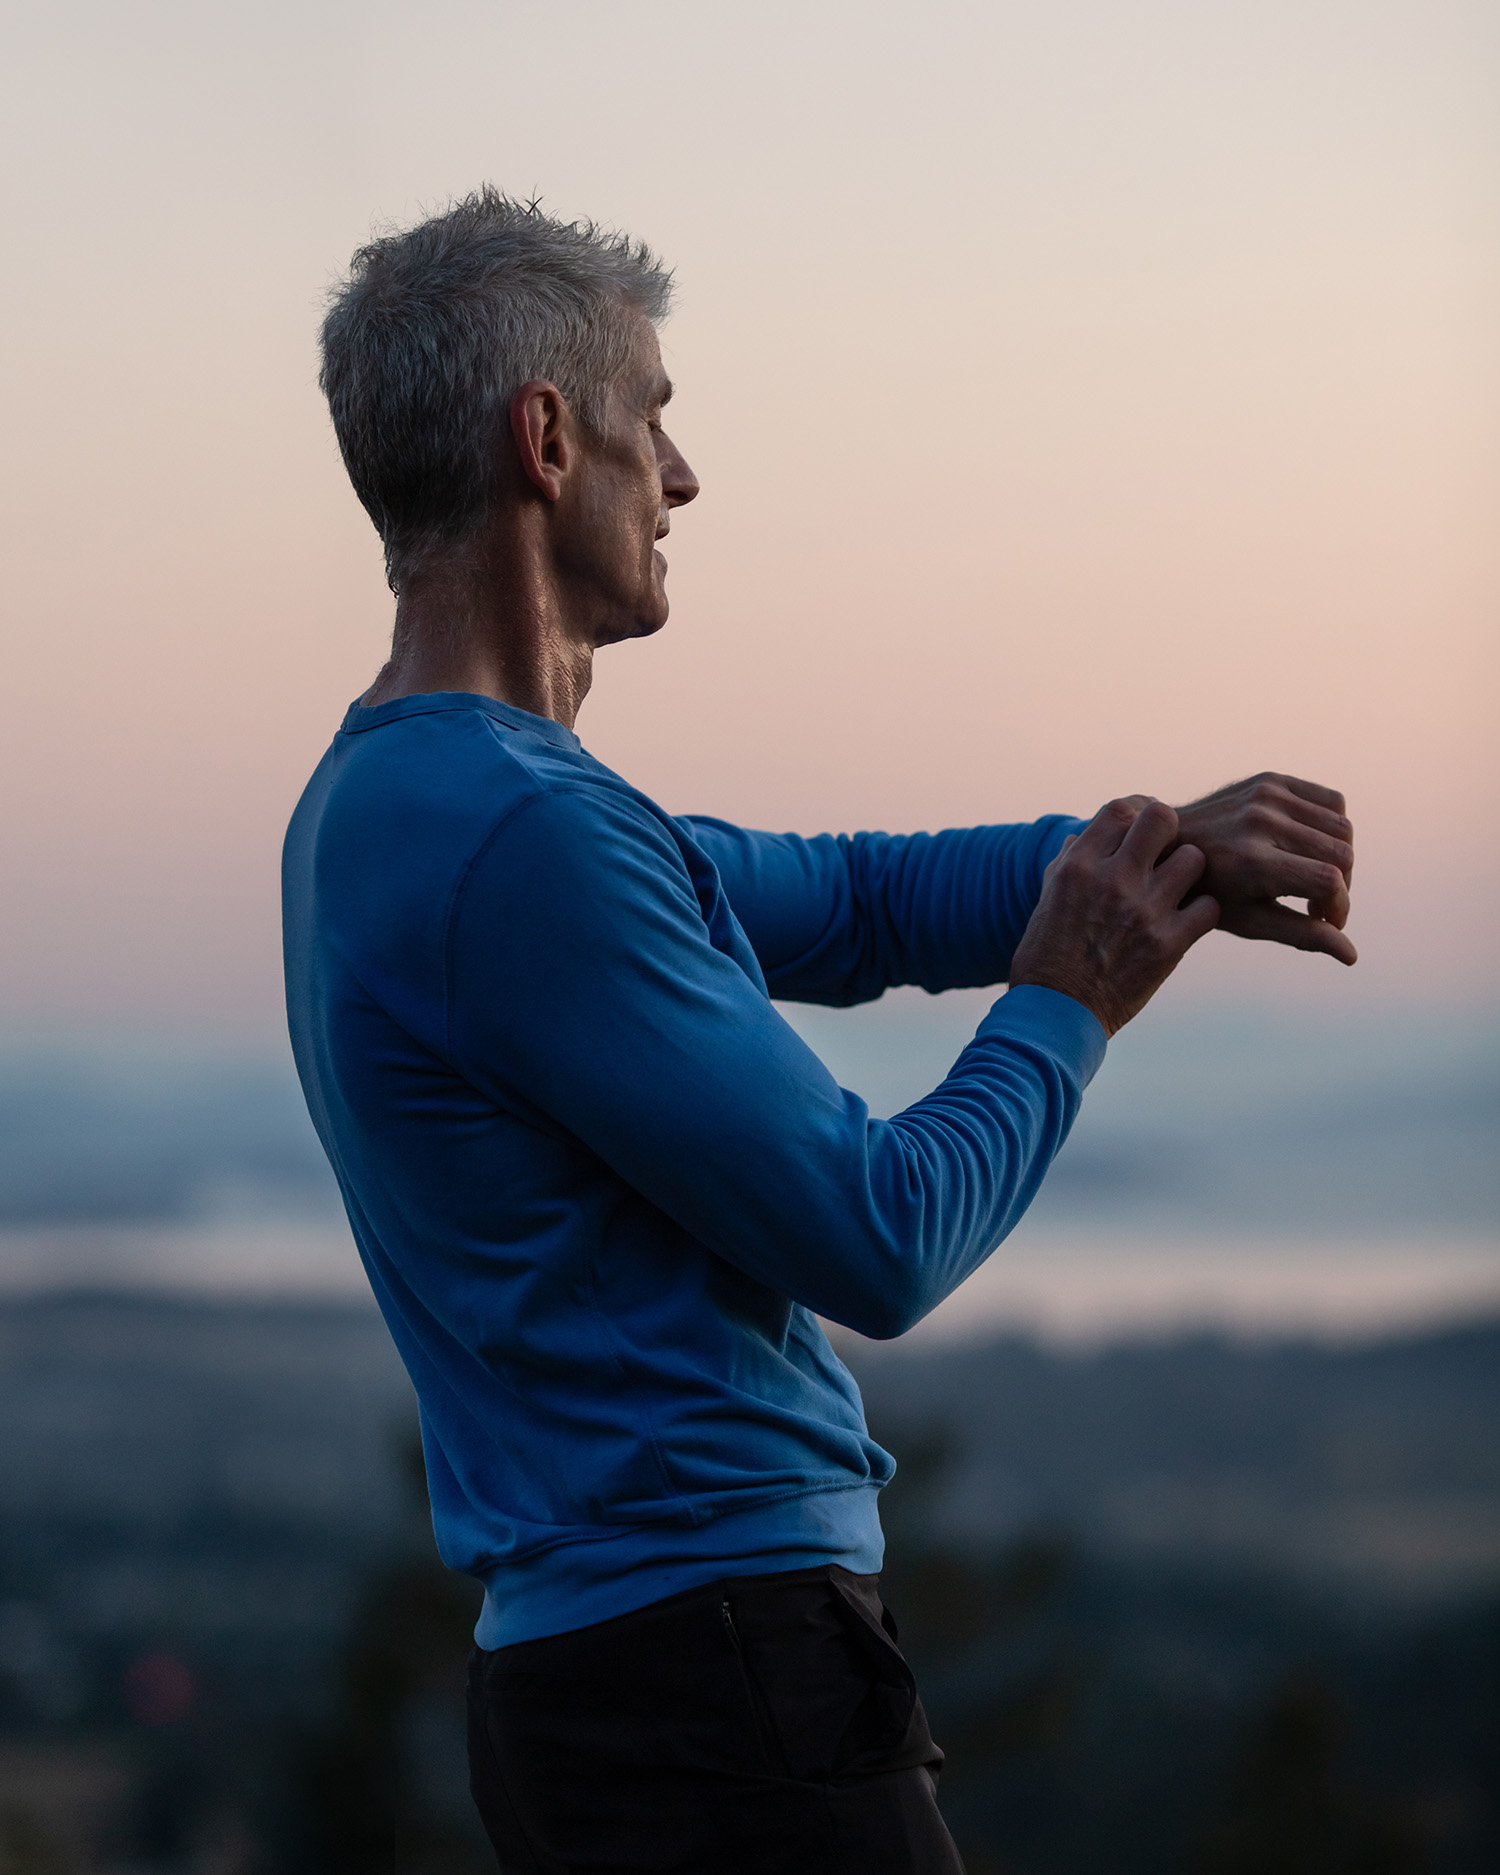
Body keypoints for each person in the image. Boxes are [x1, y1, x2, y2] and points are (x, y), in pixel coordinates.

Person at [283, 189, 1356, 1873]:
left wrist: (1159, 849)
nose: (686, 479)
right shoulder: (522, 842)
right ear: (548, 440)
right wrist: (1072, 1002)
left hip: (615, 1686)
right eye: (657, 423)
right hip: (718, 1696)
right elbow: (878, 1235)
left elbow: (853, 902)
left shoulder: (406, 805)